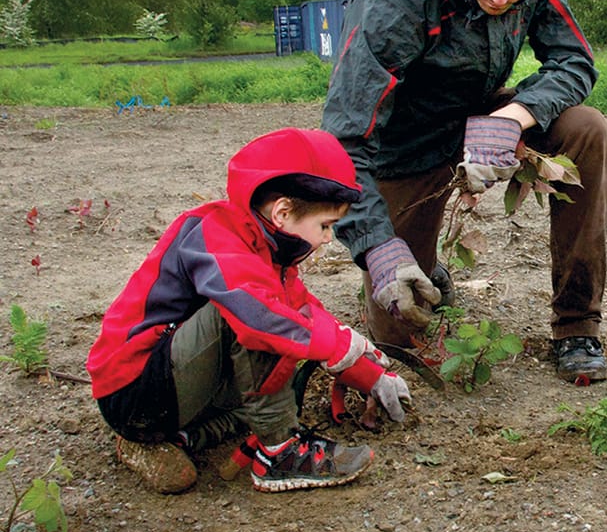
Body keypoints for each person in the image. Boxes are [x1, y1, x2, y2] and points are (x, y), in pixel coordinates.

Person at [322, 0, 607, 385]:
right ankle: (421, 263)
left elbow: (575, 62)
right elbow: (344, 144)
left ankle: (577, 325)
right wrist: (378, 248)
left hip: (481, 116)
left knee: (585, 128)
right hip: (403, 144)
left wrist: (512, 117)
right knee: (401, 328)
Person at [88, 128, 411, 494]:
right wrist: (335, 346)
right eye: (324, 226)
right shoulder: (213, 232)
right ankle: (279, 456)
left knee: (283, 367)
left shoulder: (267, 244)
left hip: (174, 387)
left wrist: (365, 369)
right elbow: (259, 318)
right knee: (256, 321)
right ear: (282, 212)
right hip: (133, 392)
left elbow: (303, 309)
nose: (326, 239)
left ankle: (174, 440)